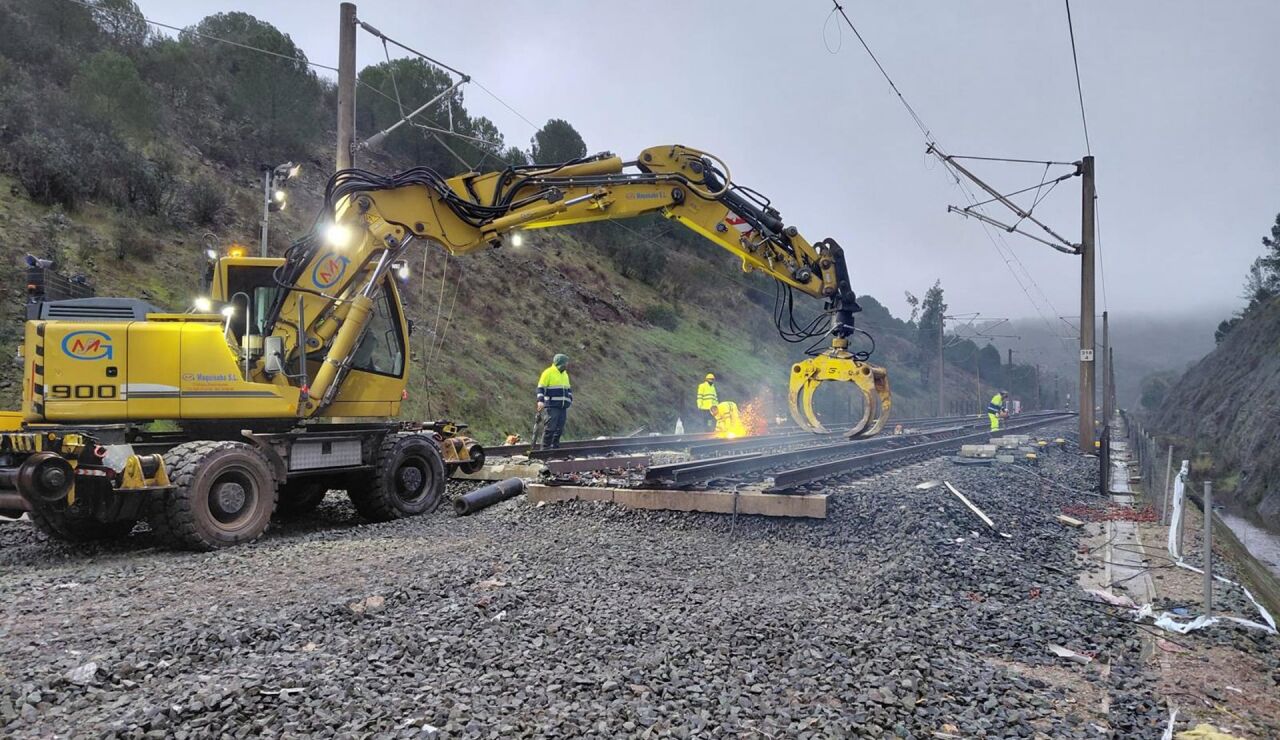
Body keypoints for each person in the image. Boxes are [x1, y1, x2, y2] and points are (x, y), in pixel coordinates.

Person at [536, 353, 572, 449]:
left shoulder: (565, 374)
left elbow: (568, 389)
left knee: (559, 429)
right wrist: (540, 401)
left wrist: (570, 399)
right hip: (552, 406)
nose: (567, 365)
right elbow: (540, 388)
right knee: (550, 428)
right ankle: (545, 449)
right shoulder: (548, 373)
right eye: (566, 363)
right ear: (560, 363)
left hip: (563, 406)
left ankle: (555, 448)